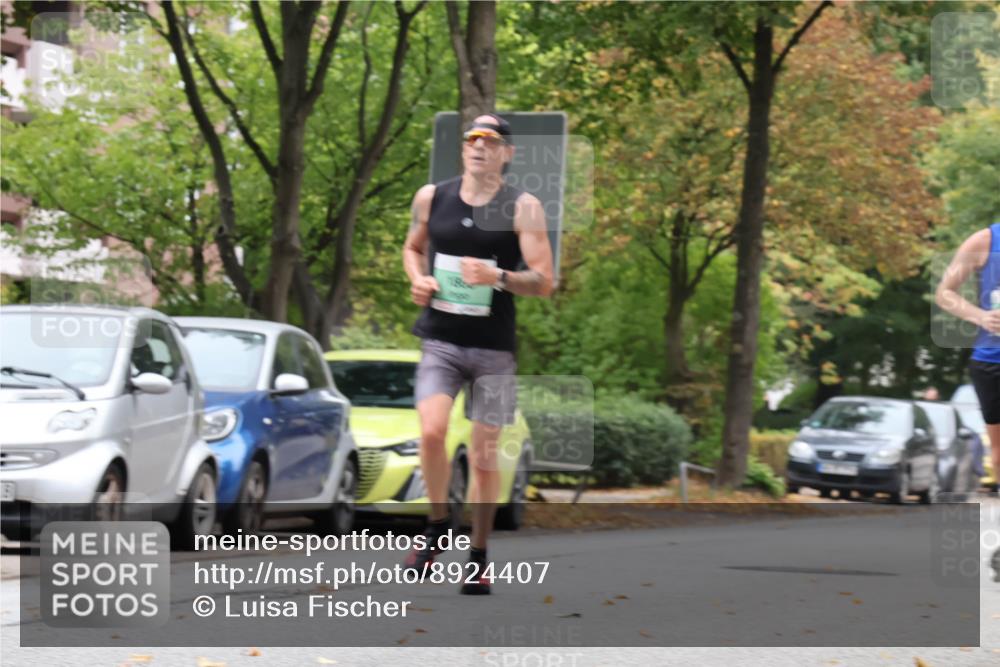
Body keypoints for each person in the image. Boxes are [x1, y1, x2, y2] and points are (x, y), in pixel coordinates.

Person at [401, 113, 554, 594]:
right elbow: (412, 248)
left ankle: (479, 555)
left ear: (507, 153)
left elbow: (545, 281)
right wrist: (418, 280)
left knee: (486, 457)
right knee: (431, 432)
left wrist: (499, 277)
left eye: (490, 140)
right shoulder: (432, 197)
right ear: (464, 147)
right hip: (441, 341)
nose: (479, 146)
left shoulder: (523, 207)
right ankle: (437, 525)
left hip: (493, 351)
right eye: (472, 138)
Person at [935, 222, 1000, 493]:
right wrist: (981, 317)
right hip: (993, 362)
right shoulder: (985, 241)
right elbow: (944, 293)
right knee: (998, 451)